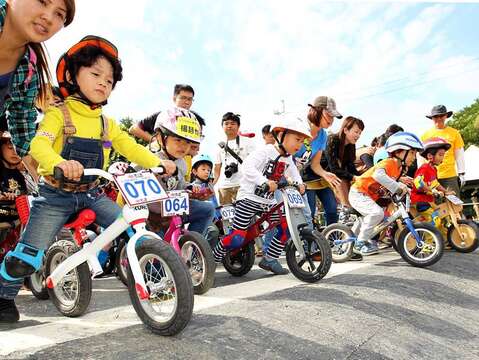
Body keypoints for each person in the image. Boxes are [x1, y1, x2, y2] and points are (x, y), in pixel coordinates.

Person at [0, 35, 173, 323]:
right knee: (26, 256)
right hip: (55, 196)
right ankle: (4, 296)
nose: (104, 82)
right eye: (95, 74)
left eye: (109, 80)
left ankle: (150, 280)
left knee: (131, 226)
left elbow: (129, 146)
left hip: (91, 193)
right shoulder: (58, 114)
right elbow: (38, 146)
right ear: (71, 76)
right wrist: (59, 163)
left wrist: (158, 162)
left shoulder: (107, 122)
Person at [212, 116, 310, 275]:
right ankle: (211, 260)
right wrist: (263, 181)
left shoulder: (287, 158)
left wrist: (300, 184)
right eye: (297, 140)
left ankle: (270, 259)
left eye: (302, 142)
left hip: (268, 202)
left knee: (285, 229)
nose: (299, 145)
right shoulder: (266, 151)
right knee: (237, 238)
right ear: (280, 136)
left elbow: (293, 172)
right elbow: (247, 168)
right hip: (248, 199)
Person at [0, 0, 75, 173]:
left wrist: (50, 180)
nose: (48, 17)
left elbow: (23, 135)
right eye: (42, 1)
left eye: (59, 14)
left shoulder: (29, 71)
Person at [350, 132, 424, 255]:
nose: (414, 157)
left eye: (415, 154)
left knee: (382, 217)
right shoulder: (389, 162)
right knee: (376, 213)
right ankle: (360, 243)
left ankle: (353, 243)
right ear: (399, 151)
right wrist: (398, 187)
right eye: (412, 153)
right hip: (358, 192)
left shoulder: (398, 169)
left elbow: (391, 183)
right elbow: (378, 175)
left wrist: (405, 189)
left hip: (367, 196)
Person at [145, 107, 215, 236]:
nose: (183, 147)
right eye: (178, 140)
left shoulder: (182, 162)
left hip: (171, 211)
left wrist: (191, 189)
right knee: (160, 251)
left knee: (208, 208)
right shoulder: (146, 157)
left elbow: (180, 185)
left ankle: (189, 248)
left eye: (188, 142)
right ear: (160, 137)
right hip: (149, 217)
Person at [295, 96, 342, 225]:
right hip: (289, 175)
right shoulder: (299, 126)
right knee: (307, 214)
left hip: (301, 178)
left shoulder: (322, 135)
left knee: (329, 210)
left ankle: (329, 242)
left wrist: (325, 174)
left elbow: (315, 165)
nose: (331, 120)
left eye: (333, 117)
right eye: (329, 115)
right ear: (317, 111)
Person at [128, 84, 204, 143]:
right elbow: (134, 129)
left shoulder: (194, 120)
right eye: (183, 98)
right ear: (174, 99)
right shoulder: (163, 116)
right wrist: (155, 141)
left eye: (190, 99)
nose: (187, 102)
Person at [411, 137, 453, 239]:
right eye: (440, 155)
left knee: (444, 216)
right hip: (420, 201)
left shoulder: (433, 169)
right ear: (430, 156)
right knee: (435, 219)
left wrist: (446, 192)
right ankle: (429, 243)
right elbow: (418, 182)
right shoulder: (424, 168)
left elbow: (435, 183)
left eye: (443, 155)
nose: (442, 158)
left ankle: (445, 239)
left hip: (429, 201)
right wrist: (431, 191)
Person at [421, 105, 465, 197]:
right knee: (435, 207)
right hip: (431, 176)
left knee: (454, 205)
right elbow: (421, 157)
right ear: (432, 118)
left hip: (450, 176)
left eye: (441, 116)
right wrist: (421, 174)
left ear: (446, 116)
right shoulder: (425, 135)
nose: (439, 118)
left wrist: (462, 173)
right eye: (436, 116)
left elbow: (459, 154)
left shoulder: (454, 133)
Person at [322, 116, 364, 208]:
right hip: (318, 176)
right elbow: (334, 168)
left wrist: (361, 177)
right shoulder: (332, 139)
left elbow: (351, 167)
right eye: (356, 132)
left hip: (334, 177)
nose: (358, 135)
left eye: (360, 133)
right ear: (345, 130)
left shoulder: (351, 146)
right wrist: (354, 177)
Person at [213, 112, 255, 205]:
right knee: (227, 217)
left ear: (238, 126)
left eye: (233, 123)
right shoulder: (219, 145)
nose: (229, 126)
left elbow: (254, 164)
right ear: (222, 126)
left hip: (243, 185)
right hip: (224, 187)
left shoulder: (248, 142)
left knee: (245, 216)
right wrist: (212, 184)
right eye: (226, 123)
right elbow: (217, 168)